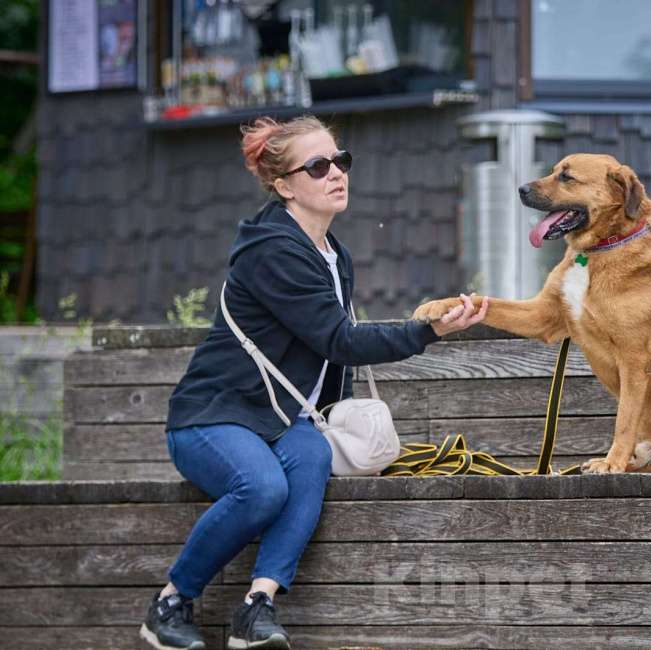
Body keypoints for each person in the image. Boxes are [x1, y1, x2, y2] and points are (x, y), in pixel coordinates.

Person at [139, 115, 488, 650]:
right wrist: (428, 331)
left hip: (281, 421)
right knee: (261, 488)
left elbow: (327, 355)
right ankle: (170, 603)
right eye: (318, 166)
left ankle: (257, 608)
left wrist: (335, 411)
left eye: (340, 161)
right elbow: (339, 341)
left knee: (313, 459)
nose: (336, 173)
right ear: (284, 185)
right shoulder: (273, 251)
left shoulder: (333, 254)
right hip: (214, 416)